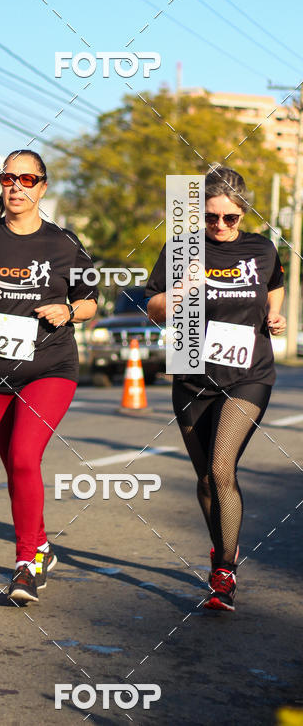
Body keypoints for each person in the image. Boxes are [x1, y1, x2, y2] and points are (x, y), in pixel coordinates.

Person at [0, 149, 98, 603]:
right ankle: (43, 546)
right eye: (9, 177)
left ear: (42, 188)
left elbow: (91, 301)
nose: (17, 186)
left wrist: (68, 310)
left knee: (26, 456)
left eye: (28, 180)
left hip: (50, 368)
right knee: (16, 465)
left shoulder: (64, 243)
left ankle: (26, 564)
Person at [145, 165, 286, 611]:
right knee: (205, 477)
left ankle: (224, 572)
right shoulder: (181, 249)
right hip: (191, 371)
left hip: (249, 373)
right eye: (210, 217)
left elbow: (275, 285)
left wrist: (274, 316)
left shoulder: (262, 250)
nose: (220, 226)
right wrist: (175, 296)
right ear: (198, 213)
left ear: (245, 214)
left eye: (230, 218)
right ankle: (222, 550)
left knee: (223, 468)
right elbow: (151, 308)